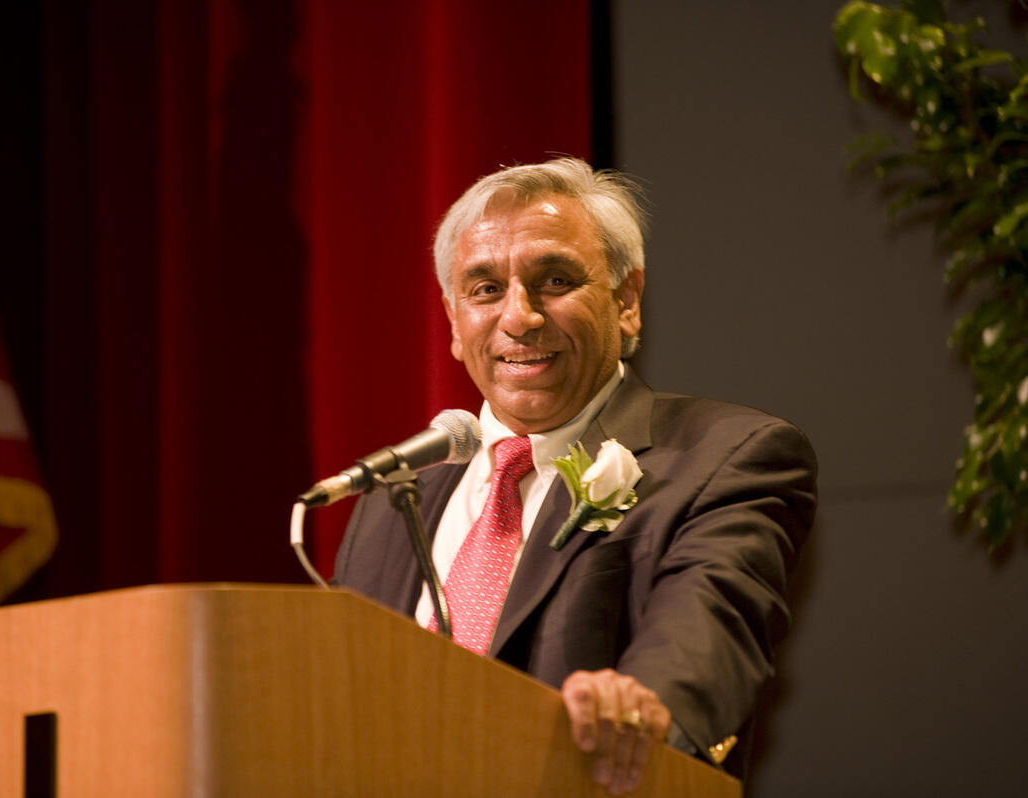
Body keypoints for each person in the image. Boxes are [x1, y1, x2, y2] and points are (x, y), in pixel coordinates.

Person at [333, 158, 816, 794]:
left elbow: (709, 626)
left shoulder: (726, 457)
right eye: (484, 290)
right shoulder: (393, 501)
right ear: (453, 322)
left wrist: (643, 706)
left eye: (554, 279)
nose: (520, 317)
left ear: (627, 302)